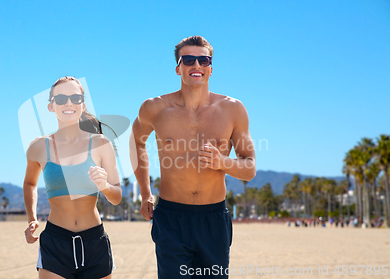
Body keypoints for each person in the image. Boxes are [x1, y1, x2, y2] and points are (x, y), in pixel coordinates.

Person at [131, 36, 256, 278]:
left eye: (203, 60)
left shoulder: (233, 109)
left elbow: (249, 168)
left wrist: (222, 162)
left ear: (210, 68)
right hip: (171, 218)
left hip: (214, 219)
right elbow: (136, 142)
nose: (196, 65)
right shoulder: (154, 108)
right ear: (178, 68)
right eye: (188, 60)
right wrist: (145, 192)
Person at [23, 76, 122, 279]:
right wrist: (32, 218)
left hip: (94, 242)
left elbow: (116, 196)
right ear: (51, 106)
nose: (68, 103)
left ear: (82, 105)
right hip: (55, 242)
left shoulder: (101, 144)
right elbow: (30, 183)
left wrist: (104, 185)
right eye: (61, 99)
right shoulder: (39, 146)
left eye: (75, 98)